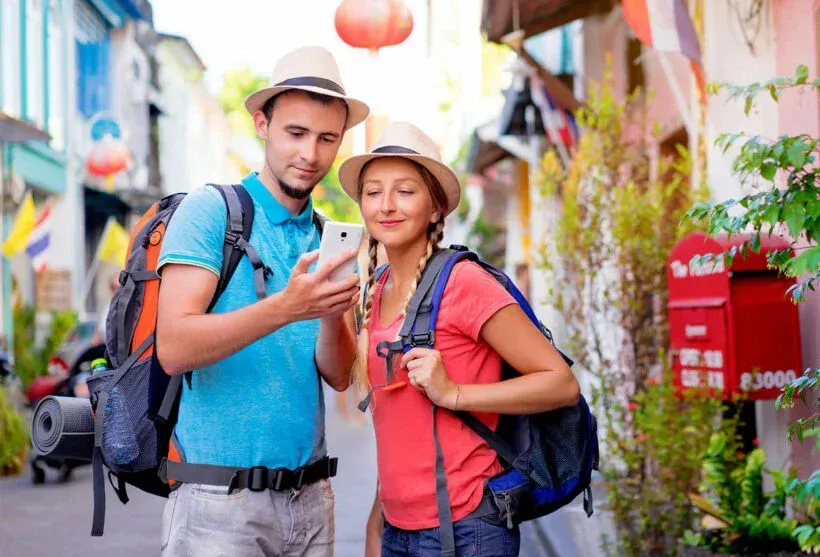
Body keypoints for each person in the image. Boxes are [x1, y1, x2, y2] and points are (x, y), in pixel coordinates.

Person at [155, 46, 369, 556]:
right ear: (261, 124)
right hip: (220, 505)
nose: (310, 154)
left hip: (312, 500)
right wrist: (287, 307)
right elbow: (174, 346)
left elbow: (340, 376)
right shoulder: (212, 212)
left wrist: (330, 312)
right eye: (295, 133)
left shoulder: (328, 238)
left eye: (327, 139)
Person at [337, 122, 581, 557]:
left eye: (405, 191)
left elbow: (560, 384)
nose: (386, 205)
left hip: (467, 530)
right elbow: (398, 424)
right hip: (396, 529)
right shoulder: (377, 288)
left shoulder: (464, 283)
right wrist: (379, 519)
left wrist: (453, 393)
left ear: (436, 209)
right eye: (373, 192)